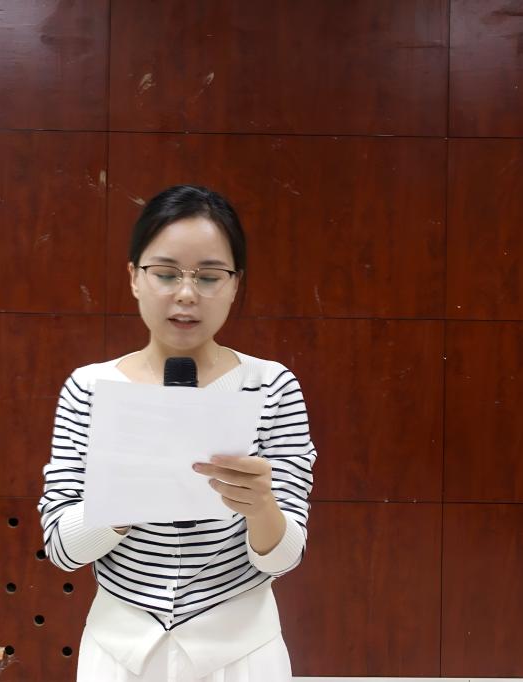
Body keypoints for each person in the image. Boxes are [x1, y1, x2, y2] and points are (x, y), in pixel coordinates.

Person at [38, 185, 317, 681]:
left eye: (209, 277)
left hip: (241, 654)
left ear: (234, 284)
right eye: (166, 273)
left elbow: (284, 558)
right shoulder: (91, 388)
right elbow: (61, 549)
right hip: (119, 653)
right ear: (134, 278)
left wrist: (261, 507)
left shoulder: (271, 386)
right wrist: (123, 498)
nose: (186, 294)